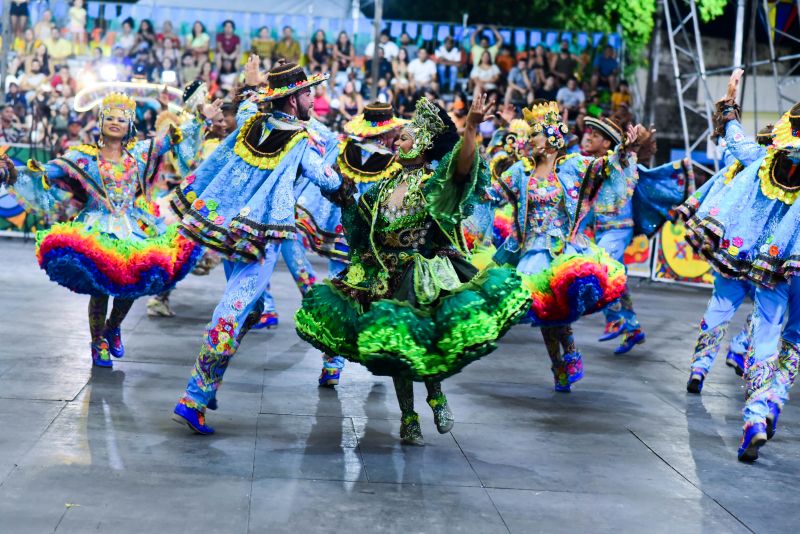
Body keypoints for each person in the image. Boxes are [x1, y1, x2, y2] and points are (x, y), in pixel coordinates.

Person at [295, 95, 530, 445]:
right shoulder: (382, 187)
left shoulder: (432, 186)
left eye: (403, 137)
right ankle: (408, 416)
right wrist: (344, 200)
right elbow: (361, 231)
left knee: (423, 340)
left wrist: (471, 128)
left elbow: (462, 169)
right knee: (395, 348)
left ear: (420, 145)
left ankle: (436, 397)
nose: (396, 142)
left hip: (419, 276)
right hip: (382, 276)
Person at [170, 58, 341, 434]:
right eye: (309, 92)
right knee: (232, 310)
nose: (314, 98)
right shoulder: (300, 141)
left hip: (229, 231)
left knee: (248, 311)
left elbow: (248, 101)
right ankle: (194, 396)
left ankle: (208, 386)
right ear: (294, 99)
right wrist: (350, 185)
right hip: (260, 239)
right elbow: (326, 179)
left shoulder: (250, 119)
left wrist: (250, 83)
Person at [0, 90, 220, 368]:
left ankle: (113, 327)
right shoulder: (83, 158)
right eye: (110, 118)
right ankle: (97, 342)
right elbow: (46, 171)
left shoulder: (140, 153)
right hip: (97, 227)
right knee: (100, 289)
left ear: (130, 125)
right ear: (101, 121)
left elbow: (171, 139)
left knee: (132, 285)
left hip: (134, 226)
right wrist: (11, 172)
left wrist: (202, 119)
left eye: (122, 118)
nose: (115, 122)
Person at [684, 70, 800, 462]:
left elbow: (737, 144)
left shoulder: (768, 160)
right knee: (795, 340)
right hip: (782, 265)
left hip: (771, 263)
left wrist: (730, 106)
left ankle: (755, 417)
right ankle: (769, 410)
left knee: (764, 334)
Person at [485, 101, 641, 392]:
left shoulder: (573, 166)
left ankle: (569, 350)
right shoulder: (520, 171)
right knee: (544, 313)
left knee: (558, 309)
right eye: (531, 134)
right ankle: (558, 364)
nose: (532, 139)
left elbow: (605, 166)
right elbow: (492, 194)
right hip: (531, 251)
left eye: (537, 134)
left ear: (552, 138)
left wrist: (624, 150)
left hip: (562, 251)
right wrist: (460, 181)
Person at [295, 102, 407, 385]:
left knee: (340, 294)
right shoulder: (394, 163)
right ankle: (377, 354)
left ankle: (333, 364)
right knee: (381, 296)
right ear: (387, 132)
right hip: (377, 244)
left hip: (345, 236)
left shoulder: (345, 154)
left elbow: (330, 188)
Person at [676, 122, 774, 392]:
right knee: (767, 311)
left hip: (731, 253)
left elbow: (732, 146)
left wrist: (727, 120)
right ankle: (739, 348)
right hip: (762, 261)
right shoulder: (780, 176)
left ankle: (699, 369)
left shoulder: (738, 165)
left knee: (718, 309)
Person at [581, 116, 687, 354]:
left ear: (608, 144)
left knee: (601, 267)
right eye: (590, 133)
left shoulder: (621, 161)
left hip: (619, 229)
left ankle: (614, 319)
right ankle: (632, 328)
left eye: (596, 136)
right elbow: (588, 202)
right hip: (602, 231)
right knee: (617, 279)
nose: (590, 137)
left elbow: (621, 154)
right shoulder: (594, 165)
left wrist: (628, 146)